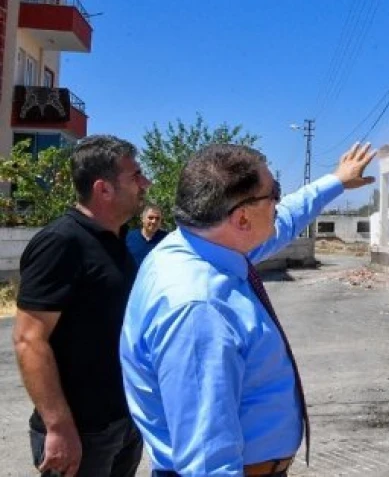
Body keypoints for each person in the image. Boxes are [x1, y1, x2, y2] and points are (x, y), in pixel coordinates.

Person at [120, 142, 375, 476]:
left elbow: (285, 221)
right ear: (242, 218)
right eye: (274, 195)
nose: (279, 205)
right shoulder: (199, 309)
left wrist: (337, 180)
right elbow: (207, 461)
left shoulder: (200, 246)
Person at [12, 135, 151, 477]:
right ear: (103, 189)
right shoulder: (61, 242)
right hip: (81, 432)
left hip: (122, 421)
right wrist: (58, 427)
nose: (145, 183)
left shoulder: (117, 238)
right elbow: (29, 339)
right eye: (135, 176)